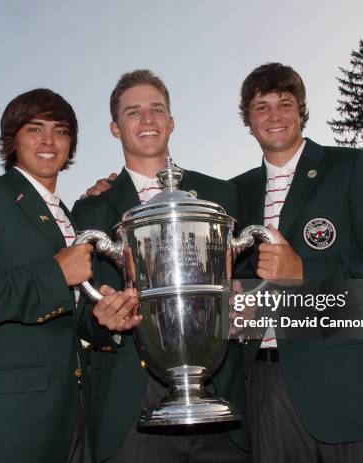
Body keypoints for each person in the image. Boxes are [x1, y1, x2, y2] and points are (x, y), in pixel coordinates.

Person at [0, 88, 138, 463]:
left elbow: (66, 321)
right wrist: (55, 273)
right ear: (12, 139)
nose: (48, 141)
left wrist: (103, 319)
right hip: (7, 424)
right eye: (34, 130)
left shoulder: (69, 218)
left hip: (73, 414)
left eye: (60, 131)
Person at [230, 63, 363, 462]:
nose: (275, 115)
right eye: (261, 107)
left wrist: (305, 272)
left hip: (351, 383)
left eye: (285, 103)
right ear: (247, 119)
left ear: (301, 110)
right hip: (266, 385)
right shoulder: (236, 192)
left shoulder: (351, 167)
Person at [72, 70, 251, 463]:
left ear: (172, 122)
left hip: (221, 396)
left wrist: (246, 308)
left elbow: (247, 280)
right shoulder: (90, 208)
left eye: (157, 110)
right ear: (115, 128)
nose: (147, 120)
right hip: (130, 404)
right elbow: (80, 312)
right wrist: (103, 318)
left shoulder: (222, 194)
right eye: (133, 112)